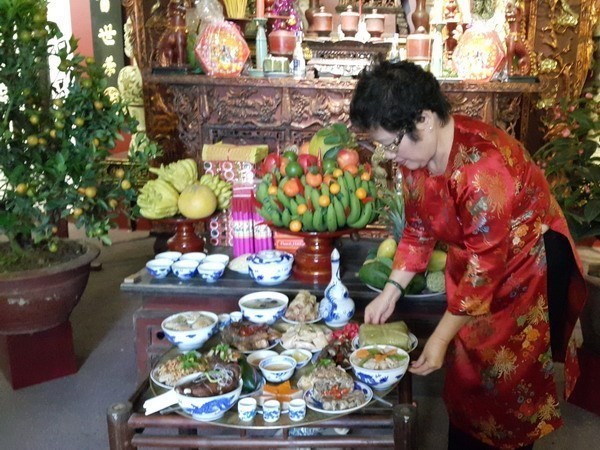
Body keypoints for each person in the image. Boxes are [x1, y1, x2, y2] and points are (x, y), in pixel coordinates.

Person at [349, 61, 587, 450]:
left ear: (423, 120)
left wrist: (439, 338)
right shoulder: (417, 160)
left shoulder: (482, 167)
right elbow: (418, 230)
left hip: (524, 266)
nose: (390, 156)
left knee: (507, 381)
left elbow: (484, 270)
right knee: (468, 371)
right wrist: (391, 290)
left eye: (391, 144)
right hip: (478, 265)